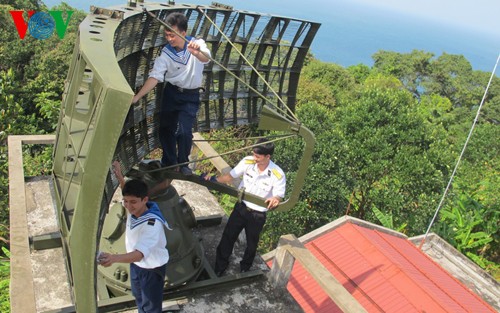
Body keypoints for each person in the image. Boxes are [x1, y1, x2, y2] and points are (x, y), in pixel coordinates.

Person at [132, 12, 211, 175]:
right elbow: (155, 77)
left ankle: (183, 164)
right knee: (165, 128)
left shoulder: (197, 44)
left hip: (190, 96)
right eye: (166, 35)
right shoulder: (166, 53)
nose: (169, 38)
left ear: (183, 33)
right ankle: (169, 161)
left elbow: (206, 58)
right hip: (172, 93)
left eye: (172, 35)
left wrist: (196, 53)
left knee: (184, 131)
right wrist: (137, 97)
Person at [203, 139, 286, 275]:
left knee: (251, 244)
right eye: (253, 154)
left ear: (268, 157)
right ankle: (219, 267)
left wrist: (275, 199)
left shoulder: (277, 174)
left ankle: (245, 268)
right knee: (228, 237)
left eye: (258, 157)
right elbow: (230, 177)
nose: (254, 158)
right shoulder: (248, 162)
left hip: (257, 215)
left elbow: (278, 195)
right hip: (241, 208)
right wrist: (212, 180)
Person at [99, 162, 170, 313]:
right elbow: (128, 193)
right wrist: (119, 176)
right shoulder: (138, 208)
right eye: (125, 201)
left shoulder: (152, 224)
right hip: (137, 266)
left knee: (150, 304)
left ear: (145, 200)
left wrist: (113, 258)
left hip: (151, 268)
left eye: (133, 202)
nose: (128, 206)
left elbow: (139, 255)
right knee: (138, 295)